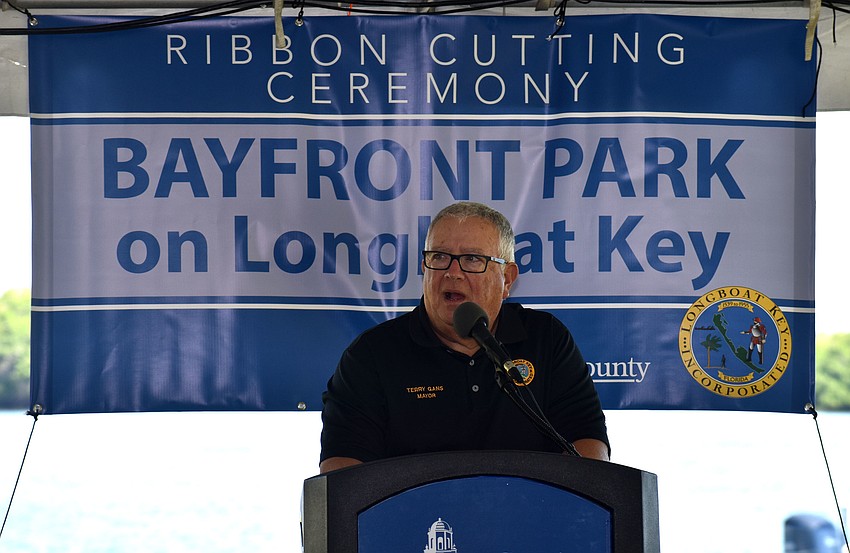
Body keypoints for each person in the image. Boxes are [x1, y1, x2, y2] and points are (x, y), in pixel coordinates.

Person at [319, 202, 609, 473]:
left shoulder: (546, 338)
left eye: (472, 259)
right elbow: (342, 470)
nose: (452, 272)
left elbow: (586, 440)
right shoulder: (372, 355)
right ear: (424, 266)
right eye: (440, 257)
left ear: (507, 278)